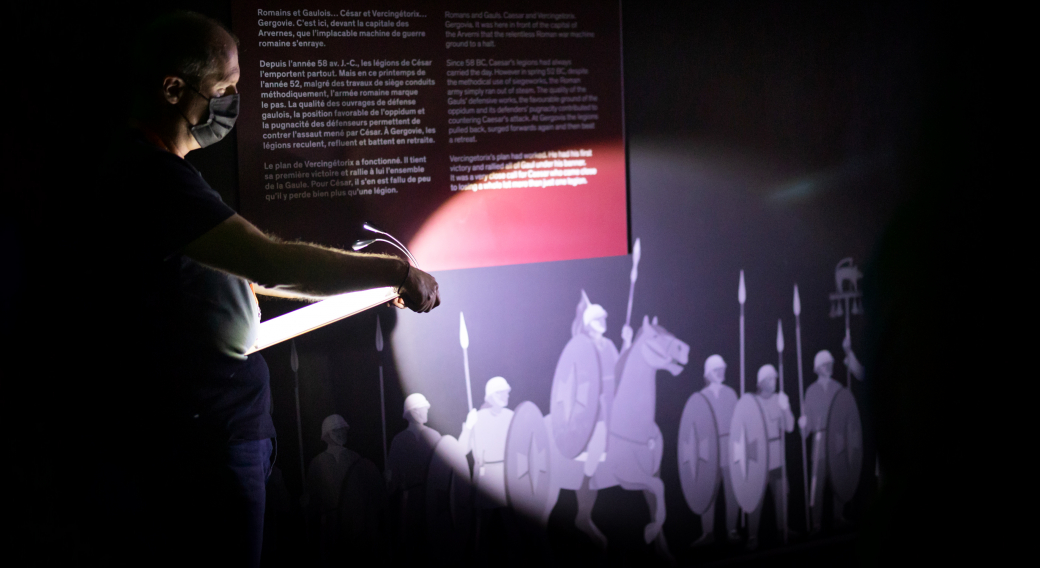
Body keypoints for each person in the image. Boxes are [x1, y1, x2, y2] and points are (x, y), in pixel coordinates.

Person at [94, 12, 439, 567]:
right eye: (224, 89)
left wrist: (355, 286)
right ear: (173, 88)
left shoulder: (166, 171)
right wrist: (394, 272)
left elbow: (243, 275)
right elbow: (267, 261)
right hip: (206, 440)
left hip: (219, 431)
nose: (232, 102)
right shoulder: (152, 176)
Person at [691, 354, 741, 546]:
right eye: (717, 369)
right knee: (708, 494)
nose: (721, 372)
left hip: (729, 449)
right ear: (709, 373)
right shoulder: (701, 397)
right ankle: (708, 533)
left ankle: (732, 529)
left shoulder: (730, 393)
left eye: (722, 369)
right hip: (709, 453)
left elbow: (738, 421)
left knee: (732, 492)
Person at [385, 393, 441, 558]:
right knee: (411, 541)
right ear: (414, 412)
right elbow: (393, 476)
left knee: (433, 540)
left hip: (432, 495)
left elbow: (442, 470)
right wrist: (389, 482)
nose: (426, 412)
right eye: (423, 409)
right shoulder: (399, 440)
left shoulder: (435, 437)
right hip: (410, 498)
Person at [746, 364, 794, 550]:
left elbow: (789, 427)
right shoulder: (752, 402)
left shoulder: (778, 400)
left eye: (775, 379)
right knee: (755, 500)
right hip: (758, 459)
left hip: (777, 458)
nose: (774, 382)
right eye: (770, 379)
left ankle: (784, 530)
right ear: (761, 382)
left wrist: (786, 407)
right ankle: (752, 537)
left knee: (782, 497)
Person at [799, 350, 848, 533]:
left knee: (839, 480)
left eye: (831, 364)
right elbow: (807, 428)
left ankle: (839, 516)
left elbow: (846, 416)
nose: (830, 367)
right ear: (818, 368)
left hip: (836, 439)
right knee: (817, 483)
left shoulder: (839, 388)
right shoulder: (811, 391)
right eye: (826, 364)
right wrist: (803, 424)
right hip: (819, 440)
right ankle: (816, 522)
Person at [303, 414, 360, 566]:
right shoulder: (317, 463)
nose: (341, 434)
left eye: (343, 430)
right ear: (327, 434)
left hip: (352, 522)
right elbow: (312, 497)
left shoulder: (355, 458)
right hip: (329, 523)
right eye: (336, 431)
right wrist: (306, 502)